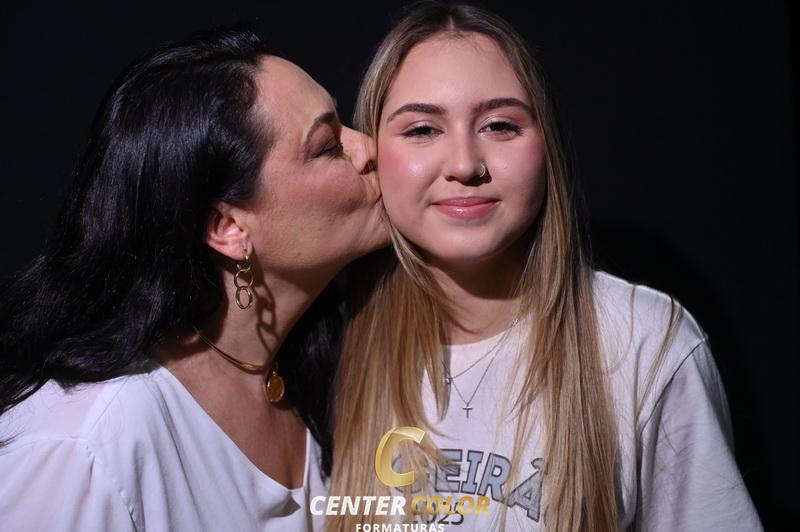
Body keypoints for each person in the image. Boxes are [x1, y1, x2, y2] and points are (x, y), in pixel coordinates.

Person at [329, 4, 762, 531]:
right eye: (422, 129)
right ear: (371, 152)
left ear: (546, 144)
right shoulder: (334, 344)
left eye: (500, 125)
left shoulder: (645, 341)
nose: (465, 164)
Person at [0, 27, 385, 531]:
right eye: (328, 145)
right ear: (228, 228)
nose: (370, 148)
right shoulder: (85, 447)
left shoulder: (314, 370)